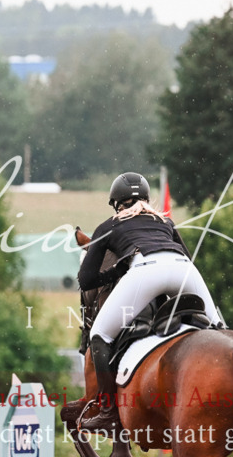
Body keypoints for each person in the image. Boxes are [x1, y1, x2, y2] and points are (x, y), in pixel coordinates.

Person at [78, 172, 224, 433]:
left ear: (115, 203)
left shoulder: (109, 225)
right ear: (146, 198)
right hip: (185, 270)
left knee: (99, 334)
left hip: (146, 269)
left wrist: (117, 271)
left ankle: (109, 412)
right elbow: (186, 256)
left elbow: (86, 279)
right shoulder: (165, 222)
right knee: (221, 330)